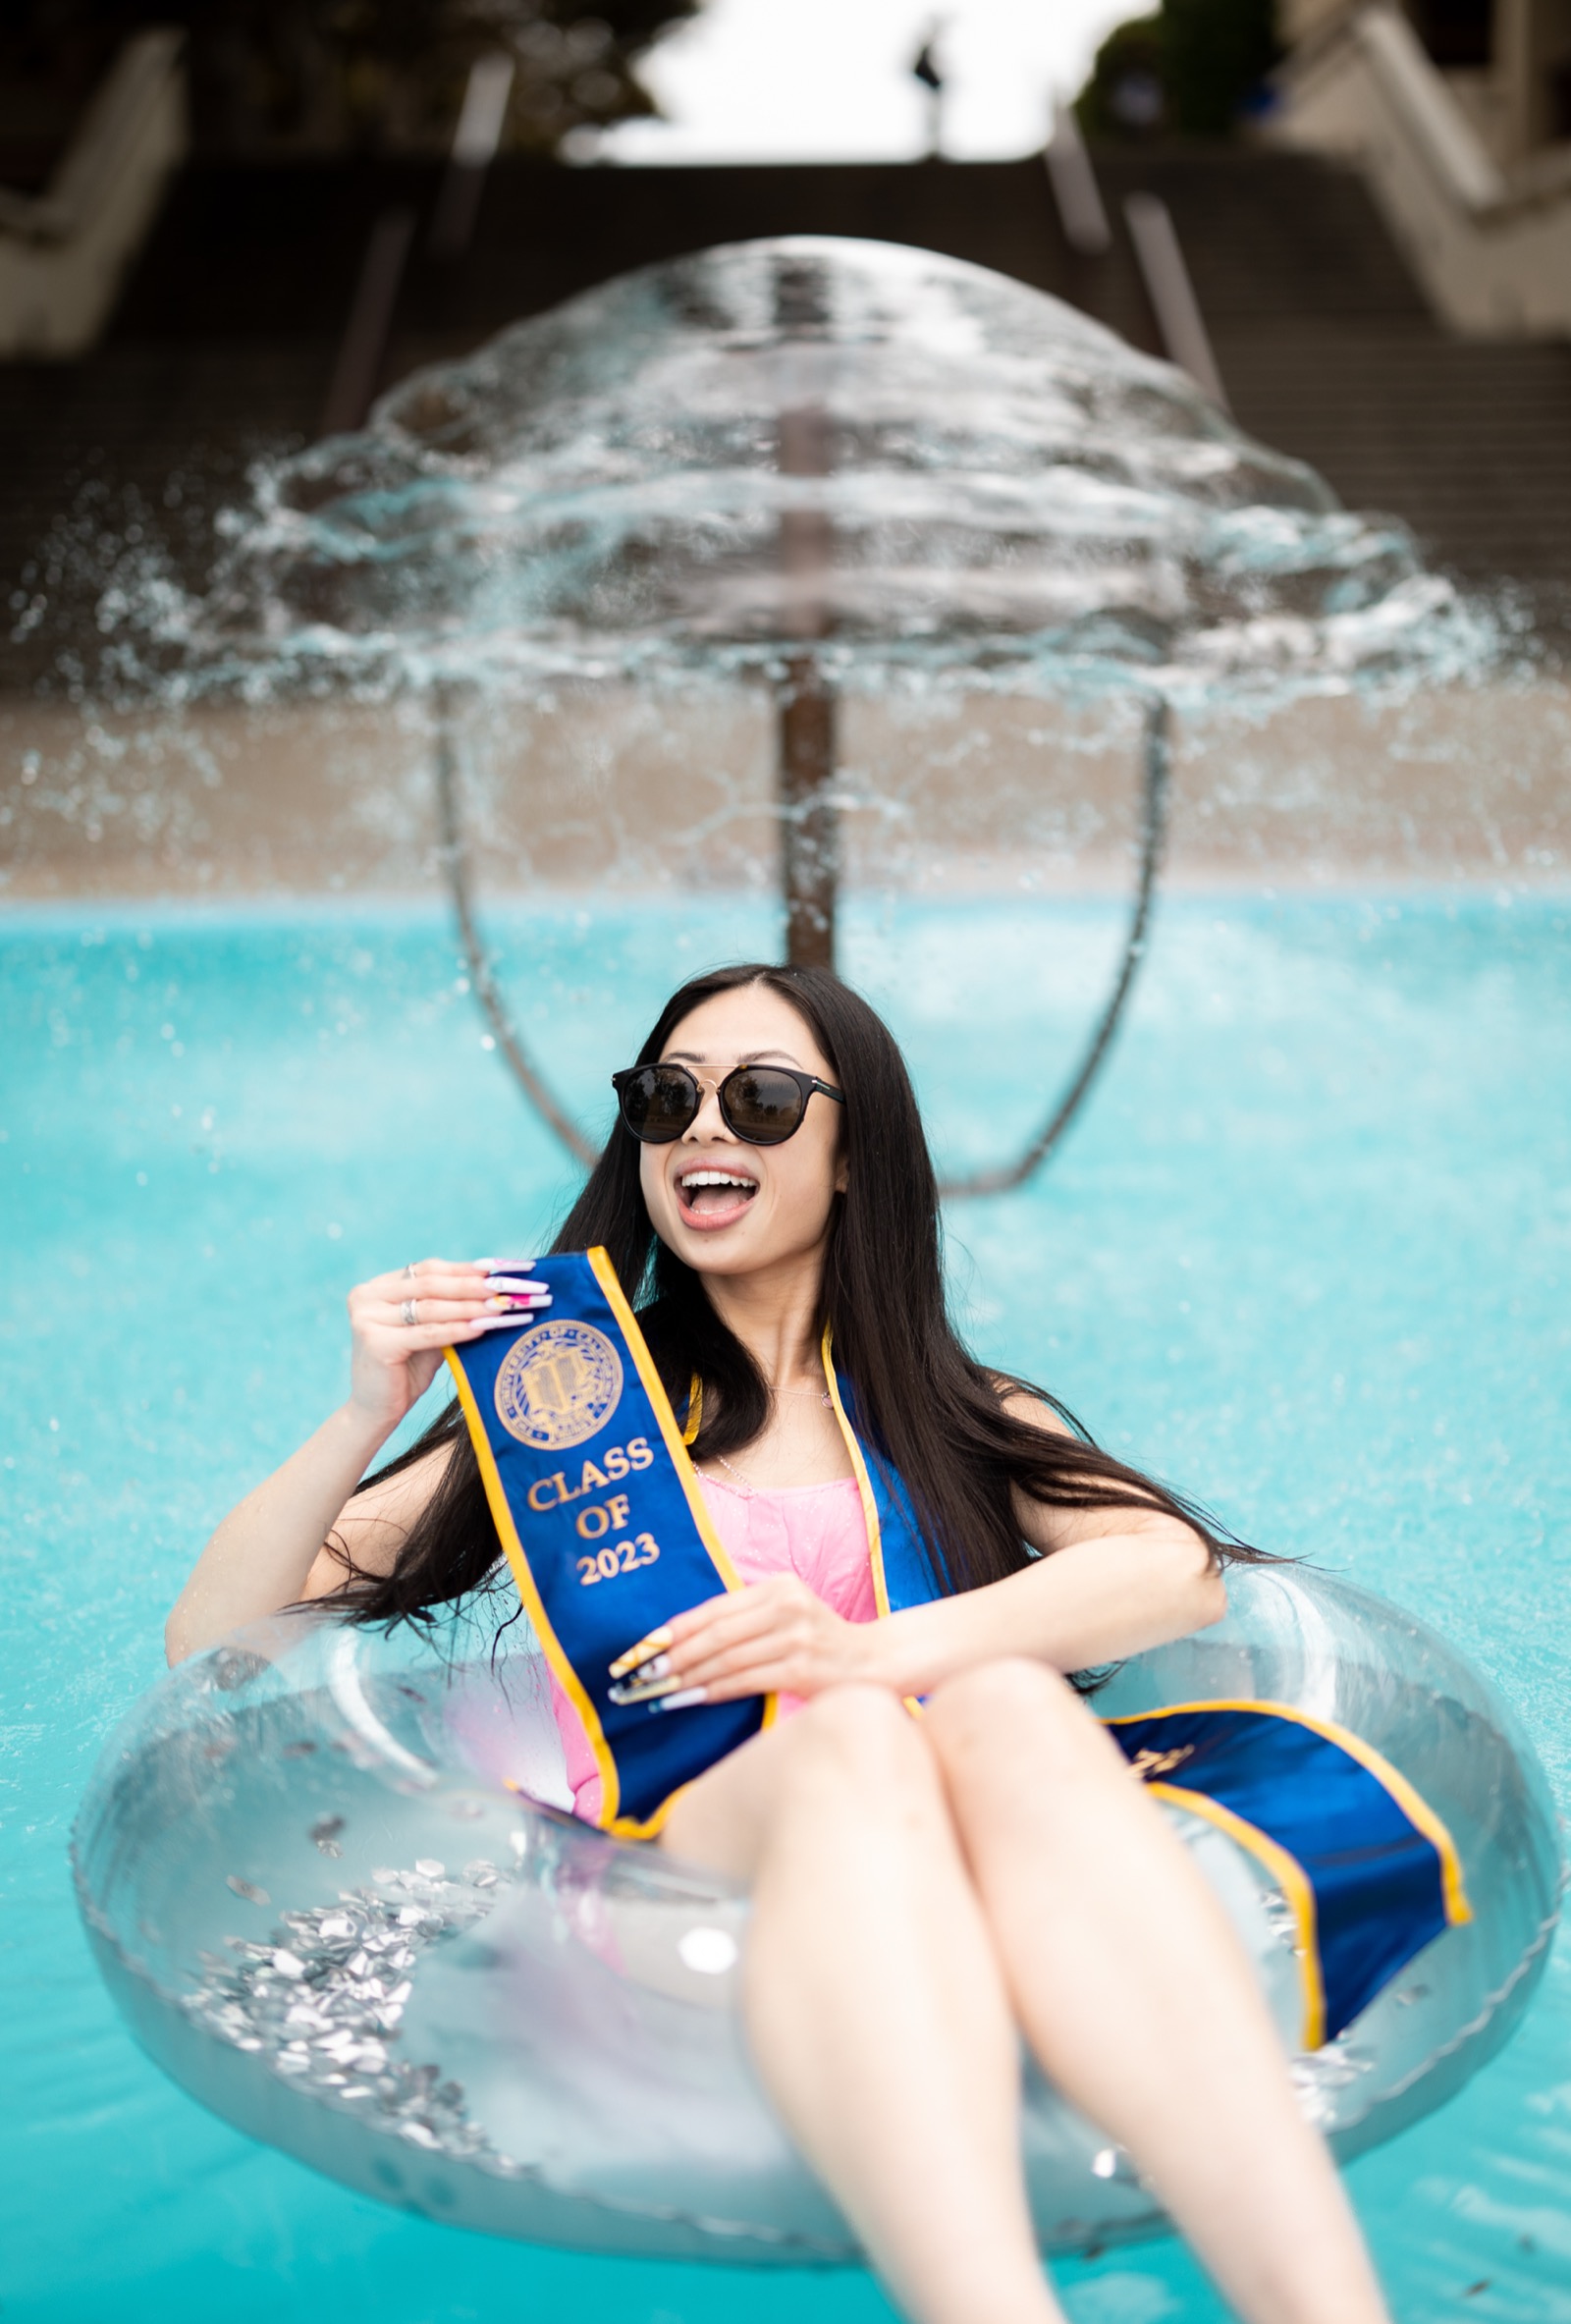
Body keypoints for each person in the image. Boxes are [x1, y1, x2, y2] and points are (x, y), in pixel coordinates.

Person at [168, 960, 1391, 2324]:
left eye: (757, 1100)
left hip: (925, 1825)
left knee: (1009, 1709)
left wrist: (864, 1653)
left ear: (853, 1152)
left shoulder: (953, 1413)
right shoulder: (579, 1416)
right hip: (670, 1862)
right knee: (861, 1742)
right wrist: (360, 1418)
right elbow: (213, 1640)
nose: (702, 1129)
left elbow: (1175, 1575)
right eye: (664, 1098)